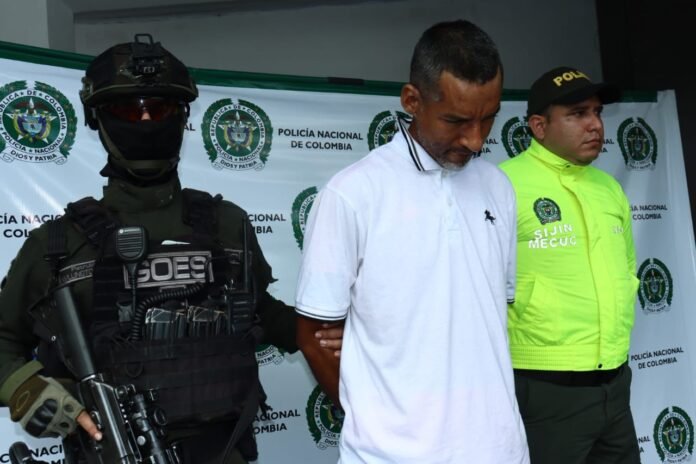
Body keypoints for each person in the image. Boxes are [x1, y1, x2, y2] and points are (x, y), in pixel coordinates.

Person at [0, 34, 340, 464]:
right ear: (97, 120)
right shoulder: (57, 244)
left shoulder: (227, 226)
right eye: (129, 110)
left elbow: (261, 312)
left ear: (182, 117)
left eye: (160, 109)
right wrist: (26, 388)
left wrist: (328, 333)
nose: (146, 121)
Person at [295, 20, 529, 464]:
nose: (476, 139)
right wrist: (377, 422)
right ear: (411, 101)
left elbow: (485, 314)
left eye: (489, 118)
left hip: (501, 450)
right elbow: (313, 336)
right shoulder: (352, 194)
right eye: (457, 121)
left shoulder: (498, 187)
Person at [499, 66, 640, 464]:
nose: (595, 124)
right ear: (539, 126)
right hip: (546, 389)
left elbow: (628, 267)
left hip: (615, 381)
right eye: (578, 114)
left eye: (597, 112)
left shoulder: (608, 187)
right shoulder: (502, 186)